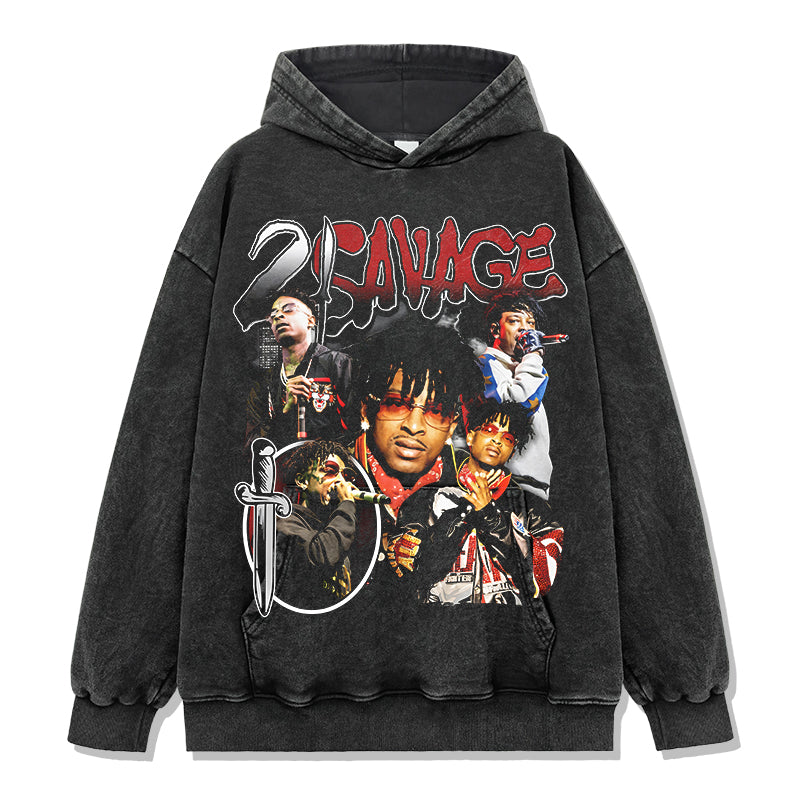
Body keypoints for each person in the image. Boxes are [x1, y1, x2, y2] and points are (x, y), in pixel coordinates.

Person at [350, 322, 484, 595]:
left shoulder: (475, 482)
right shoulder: (325, 469)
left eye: (436, 411)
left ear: (452, 426)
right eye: (397, 404)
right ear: (367, 409)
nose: (414, 426)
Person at [391, 399, 565, 605]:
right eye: (489, 430)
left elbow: (542, 580)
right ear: (471, 437)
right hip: (440, 621)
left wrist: (492, 519)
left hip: (506, 623)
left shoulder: (532, 508)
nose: (497, 440)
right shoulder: (427, 498)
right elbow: (412, 572)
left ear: (512, 450)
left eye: (507, 438)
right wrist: (465, 510)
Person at [457, 293, 553, 499]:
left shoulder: (519, 370)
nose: (525, 330)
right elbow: (516, 406)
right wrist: (533, 355)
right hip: (500, 486)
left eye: (531, 323)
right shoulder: (484, 364)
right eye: (514, 321)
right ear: (495, 330)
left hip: (531, 486)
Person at [245, 291, 355, 450]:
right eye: (273, 315)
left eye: (288, 309)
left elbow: (356, 427)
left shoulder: (338, 364)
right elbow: (253, 445)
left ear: (311, 321)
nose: (278, 316)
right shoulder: (264, 381)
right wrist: (285, 412)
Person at [273, 440, 359, 609]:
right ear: (302, 481)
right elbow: (322, 554)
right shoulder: (285, 522)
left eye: (346, 476)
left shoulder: (335, 529)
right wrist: (347, 504)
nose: (341, 481)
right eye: (330, 471)